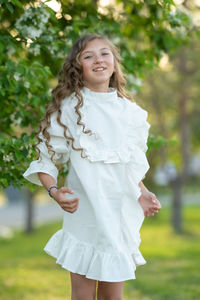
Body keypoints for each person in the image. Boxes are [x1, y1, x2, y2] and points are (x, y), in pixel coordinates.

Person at [23, 33, 161, 300]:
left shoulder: (130, 113)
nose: (98, 59)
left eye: (104, 53)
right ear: (78, 68)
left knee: (112, 297)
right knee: (83, 296)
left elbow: (125, 165)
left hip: (119, 213)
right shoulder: (68, 111)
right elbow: (46, 160)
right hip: (85, 213)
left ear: (114, 62)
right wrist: (54, 191)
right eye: (88, 55)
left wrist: (141, 192)